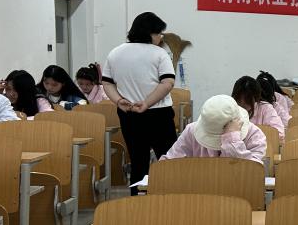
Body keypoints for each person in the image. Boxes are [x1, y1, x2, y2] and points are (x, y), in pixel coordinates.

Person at [102, 11, 178, 190]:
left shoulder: (115, 52)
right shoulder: (159, 54)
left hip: (128, 114)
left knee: (138, 160)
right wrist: (147, 103)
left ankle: (137, 201)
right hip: (158, 114)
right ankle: (171, 197)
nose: (160, 37)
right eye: (159, 33)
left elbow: (107, 82)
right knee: (169, 160)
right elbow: (167, 83)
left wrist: (119, 100)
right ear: (150, 33)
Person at [162, 95, 266, 164]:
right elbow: (167, 164)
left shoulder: (254, 135)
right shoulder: (191, 131)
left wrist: (232, 140)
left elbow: (252, 174)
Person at [232, 75, 285, 142]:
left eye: (247, 100)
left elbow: (279, 133)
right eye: (238, 100)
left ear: (256, 98)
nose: (242, 104)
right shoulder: (230, 108)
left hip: (262, 146)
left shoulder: (265, 109)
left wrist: (255, 137)